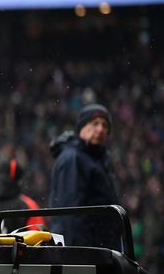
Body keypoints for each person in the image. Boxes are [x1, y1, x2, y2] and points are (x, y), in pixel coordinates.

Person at [49, 103, 121, 250]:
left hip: (100, 250)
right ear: (82, 126)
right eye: (95, 123)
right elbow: (70, 213)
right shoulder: (73, 158)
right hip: (86, 253)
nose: (100, 129)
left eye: (105, 125)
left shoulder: (96, 160)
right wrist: (79, 258)